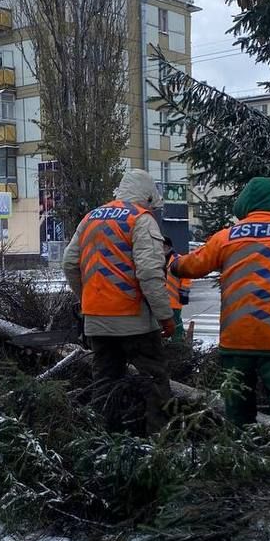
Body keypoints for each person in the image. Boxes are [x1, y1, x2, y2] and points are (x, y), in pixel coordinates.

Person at [170, 177, 270, 430]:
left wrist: (173, 262)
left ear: (244, 204)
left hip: (236, 341)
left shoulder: (226, 237)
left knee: (237, 413)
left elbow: (191, 266)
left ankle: (240, 451)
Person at [63, 169, 175, 431]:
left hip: (97, 321)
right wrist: (165, 316)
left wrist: (87, 301)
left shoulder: (90, 218)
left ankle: (103, 439)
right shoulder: (140, 218)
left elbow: (69, 263)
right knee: (154, 381)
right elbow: (149, 273)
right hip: (133, 321)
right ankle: (159, 440)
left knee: (104, 384)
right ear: (148, 197)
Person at [162, 237, 191, 342]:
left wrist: (184, 293)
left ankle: (178, 343)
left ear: (168, 247)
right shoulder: (159, 260)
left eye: (162, 247)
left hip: (174, 299)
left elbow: (186, 278)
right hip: (161, 299)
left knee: (175, 322)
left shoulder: (177, 260)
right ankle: (169, 342)